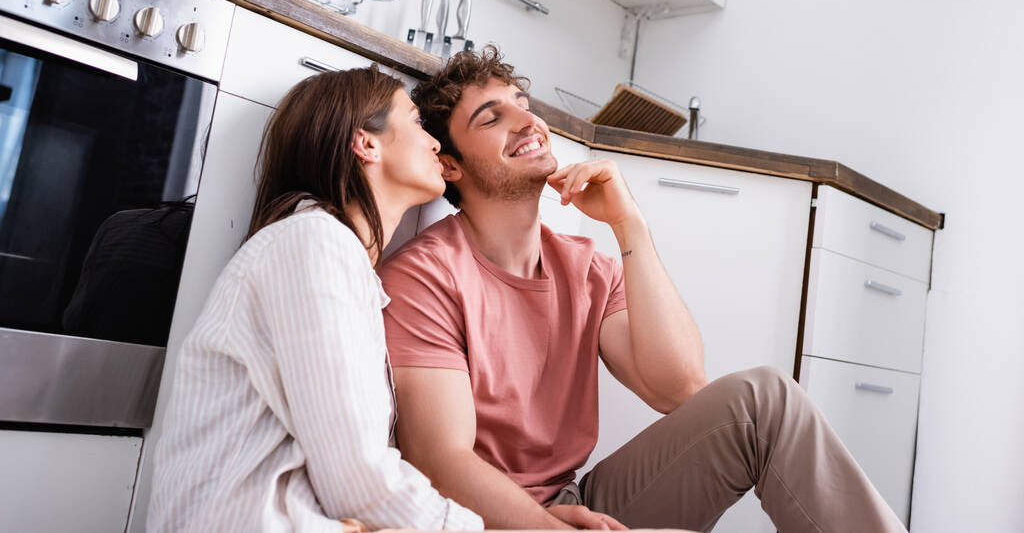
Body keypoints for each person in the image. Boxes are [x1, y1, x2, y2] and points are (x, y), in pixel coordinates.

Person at [379, 46, 907, 533]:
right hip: (483, 522)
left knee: (763, 401)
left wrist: (630, 225)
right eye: (491, 118)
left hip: (575, 502)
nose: (526, 120)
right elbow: (441, 463)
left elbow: (677, 387)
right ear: (450, 164)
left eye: (522, 103)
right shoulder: (426, 276)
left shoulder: (584, 266)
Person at [148, 67, 483, 532]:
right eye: (417, 123)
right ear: (366, 143)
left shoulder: (339, 260)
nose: (433, 143)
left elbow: (350, 480)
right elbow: (358, 480)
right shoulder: (313, 244)